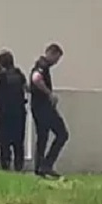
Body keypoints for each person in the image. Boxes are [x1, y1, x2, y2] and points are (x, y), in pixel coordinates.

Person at [29, 43, 68, 178]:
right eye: (56, 58)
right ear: (51, 53)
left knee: (42, 137)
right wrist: (49, 94)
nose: (56, 62)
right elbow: (36, 79)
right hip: (44, 108)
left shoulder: (39, 64)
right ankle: (47, 165)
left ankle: (39, 168)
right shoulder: (43, 65)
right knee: (62, 134)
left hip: (37, 106)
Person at [0, 49, 28, 172]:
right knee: (18, 140)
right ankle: (19, 165)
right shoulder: (18, 73)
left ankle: (5, 163)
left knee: (4, 139)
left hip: (4, 111)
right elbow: (26, 87)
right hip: (19, 111)